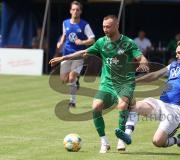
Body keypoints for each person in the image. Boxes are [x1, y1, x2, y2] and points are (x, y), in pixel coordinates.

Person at [49, 15, 149, 153]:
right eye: (103, 26)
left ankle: (121, 138)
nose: (105, 29)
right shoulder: (101, 42)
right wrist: (63, 57)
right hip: (107, 84)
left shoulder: (127, 43)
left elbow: (141, 57)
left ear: (116, 25)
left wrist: (143, 64)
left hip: (125, 83)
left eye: (108, 26)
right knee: (96, 106)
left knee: (122, 105)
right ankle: (104, 141)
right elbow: (84, 52)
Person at [115, 3, 180, 152]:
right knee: (134, 106)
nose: (176, 55)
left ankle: (178, 139)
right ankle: (127, 135)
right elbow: (155, 75)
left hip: (175, 111)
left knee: (157, 141)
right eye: (176, 52)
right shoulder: (174, 65)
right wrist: (135, 80)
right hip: (161, 103)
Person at [57, 1, 95, 107]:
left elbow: (92, 39)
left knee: (71, 77)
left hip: (79, 55)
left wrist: (82, 42)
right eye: (73, 9)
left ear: (80, 12)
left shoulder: (84, 25)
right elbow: (64, 35)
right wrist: (60, 42)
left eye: (77, 10)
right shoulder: (65, 23)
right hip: (67, 54)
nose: (75, 11)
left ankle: (72, 101)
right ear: (70, 11)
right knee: (64, 80)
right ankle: (76, 80)